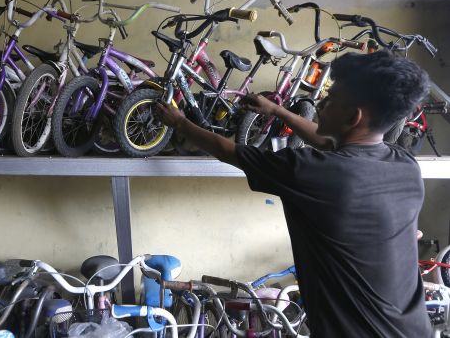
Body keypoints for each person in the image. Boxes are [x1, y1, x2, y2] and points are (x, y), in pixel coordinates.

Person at [155, 51, 433, 337]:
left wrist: (179, 122)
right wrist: (277, 111)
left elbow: (230, 151)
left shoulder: (308, 171)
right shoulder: (404, 165)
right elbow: (327, 141)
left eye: (331, 99)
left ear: (353, 116)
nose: (321, 104)